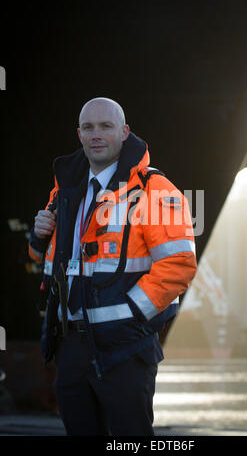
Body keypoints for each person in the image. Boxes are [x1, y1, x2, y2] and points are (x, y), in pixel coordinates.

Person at [28, 97, 197, 436]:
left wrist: (132, 317)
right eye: (88, 128)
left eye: (106, 126)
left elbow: (179, 265)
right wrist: (38, 237)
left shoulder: (155, 191)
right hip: (71, 349)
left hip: (125, 351)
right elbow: (45, 261)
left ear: (124, 132)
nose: (96, 135)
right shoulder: (64, 191)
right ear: (79, 134)